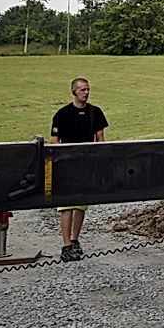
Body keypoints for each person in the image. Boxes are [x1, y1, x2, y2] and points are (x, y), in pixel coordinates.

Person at [49, 77, 108, 262]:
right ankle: (66, 244)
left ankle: (75, 240)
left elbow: (100, 139)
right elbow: (54, 140)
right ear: (74, 91)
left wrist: (99, 160)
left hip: (87, 162)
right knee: (66, 205)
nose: (86, 92)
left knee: (81, 204)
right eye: (83, 90)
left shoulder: (95, 112)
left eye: (88, 89)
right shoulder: (63, 114)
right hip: (68, 163)